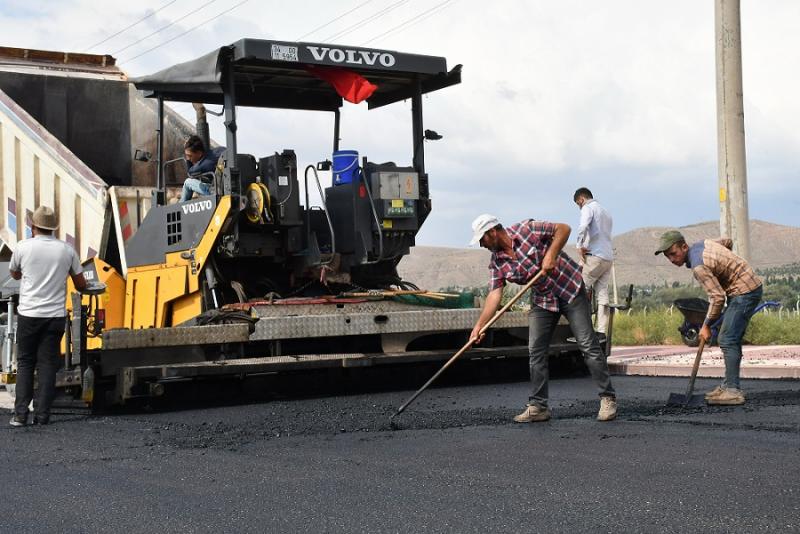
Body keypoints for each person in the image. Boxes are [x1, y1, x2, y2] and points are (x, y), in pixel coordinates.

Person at [468, 214, 617, 422]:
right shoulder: (497, 262)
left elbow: (564, 228)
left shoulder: (527, 230)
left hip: (571, 290)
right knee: (536, 350)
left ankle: (608, 398)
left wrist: (551, 254)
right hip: (543, 300)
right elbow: (494, 294)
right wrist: (479, 326)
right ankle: (539, 406)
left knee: (587, 345)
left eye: (482, 239)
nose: (482, 244)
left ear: (492, 232)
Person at [655, 230, 763, 406]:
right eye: (668, 257)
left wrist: (705, 325)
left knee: (727, 339)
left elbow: (717, 297)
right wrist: (727, 267)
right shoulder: (702, 244)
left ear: (684, 246)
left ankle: (733, 391)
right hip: (744, 288)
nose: (672, 260)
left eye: (673, 254)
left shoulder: (699, 266)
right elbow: (727, 242)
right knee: (731, 338)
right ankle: (728, 384)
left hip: (745, 291)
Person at [8, 206, 87, 427]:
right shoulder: (67, 250)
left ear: (33, 226)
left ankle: (20, 415)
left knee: (25, 363)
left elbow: (14, 273)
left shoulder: (22, 247)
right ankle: (42, 416)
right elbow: (81, 284)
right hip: (54, 316)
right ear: (53, 228)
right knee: (47, 365)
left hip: (29, 314)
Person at [573, 187, 614, 337]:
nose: (579, 207)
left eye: (578, 204)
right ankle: (602, 331)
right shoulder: (605, 211)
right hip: (608, 257)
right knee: (602, 293)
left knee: (580, 290)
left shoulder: (587, 208)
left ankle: (584, 330)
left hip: (594, 256)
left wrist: (579, 246)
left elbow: (583, 227)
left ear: (581, 199)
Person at [180, 135, 226, 202]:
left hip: (215, 192)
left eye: (189, 156)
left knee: (188, 182)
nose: (188, 158)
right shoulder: (220, 150)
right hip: (226, 187)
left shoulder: (204, 164)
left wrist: (187, 160)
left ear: (199, 153)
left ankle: (181, 206)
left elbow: (190, 173)